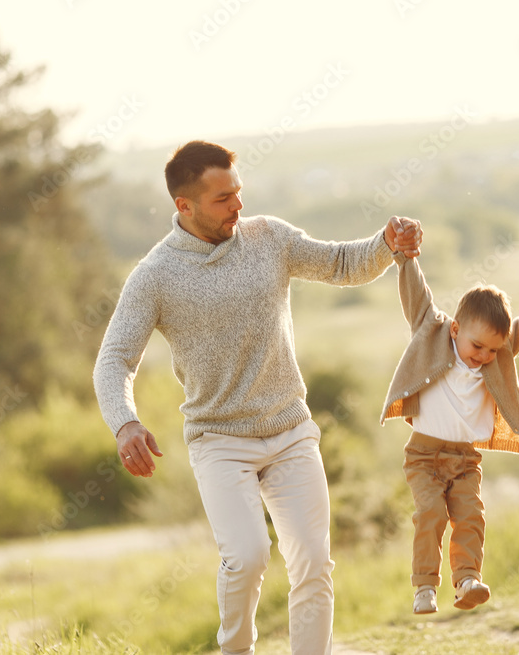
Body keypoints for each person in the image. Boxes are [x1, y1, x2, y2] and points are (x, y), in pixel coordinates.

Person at [93, 140, 423, 655]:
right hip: (220, 441)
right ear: (185, 206)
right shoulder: (155, 276)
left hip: (290, 429)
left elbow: (340, 264)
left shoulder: (269, 238)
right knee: (246, 557)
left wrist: (385, 243)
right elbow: (114, 360)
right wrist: (125, 422)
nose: (237, 206)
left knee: (313, 560)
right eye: (223, 198)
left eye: (238, 192)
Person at [379, 251, 519, 615]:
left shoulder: (497, 357)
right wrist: (406, 258)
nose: (484, 355)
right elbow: (417, 296)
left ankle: (467, 580)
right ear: (456, 329)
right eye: (477, 346)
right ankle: (424, 586)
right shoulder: (434, 335)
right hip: (424, 456)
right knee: (431, 513)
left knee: (471, 515)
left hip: (465, 458)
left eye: (492, 349)